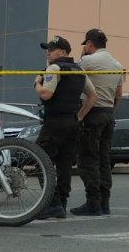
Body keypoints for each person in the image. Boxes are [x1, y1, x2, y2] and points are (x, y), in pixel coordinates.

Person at [34, 35, 96, 219]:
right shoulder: (79, 70)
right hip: (72, 123)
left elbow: (46, 94)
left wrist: (37, 82)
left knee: (40, 160)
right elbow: (93, 96)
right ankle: (61, 203)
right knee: (64, 165)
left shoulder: (54, 68)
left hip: (54, 122)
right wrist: (79, 116)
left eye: (51, 50)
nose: (48, 53)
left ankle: (51, 204)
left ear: (62, 52)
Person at [72, 29, 123, 216]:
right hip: (109, 114)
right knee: (104, 160)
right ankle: (104, 203)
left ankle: (93, 203)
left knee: (88, 159)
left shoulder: (88, 61)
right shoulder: (118, 64)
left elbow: (74, 75)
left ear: (89, 43)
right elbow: (119, 95)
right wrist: (111, 112)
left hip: (92, 114)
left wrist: (82, 56)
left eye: (86, 44)